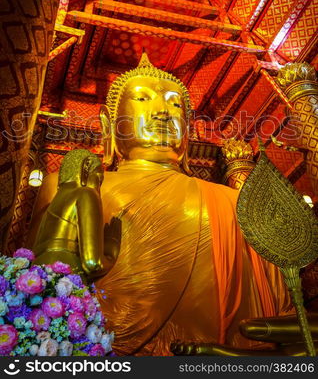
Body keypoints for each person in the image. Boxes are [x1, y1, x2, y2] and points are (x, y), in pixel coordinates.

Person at [93, 53, 291, 355]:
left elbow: (278, 310)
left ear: (188, 130)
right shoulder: (77, 190)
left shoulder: (235, 203)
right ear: (109, 125)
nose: (162, 112)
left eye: (175, 104)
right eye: (143, 99)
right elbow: (46, 288)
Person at [33, 149, 120, 281]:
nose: (98, 188)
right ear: (86, 168)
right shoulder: (86, 193)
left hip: (33, 276)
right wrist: (111, 250)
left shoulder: (53, 202)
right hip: (65, 277)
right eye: (99, 179)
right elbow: (93, 263)